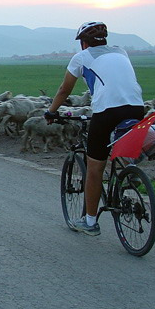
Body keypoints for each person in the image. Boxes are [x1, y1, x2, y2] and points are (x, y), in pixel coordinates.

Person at [44, 21, 144, 236]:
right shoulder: (121, 52)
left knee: (95, 167)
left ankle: (90, 221)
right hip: (137, 107)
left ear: (83, 42)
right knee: (121, 142)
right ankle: (130, 169)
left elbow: (64, 90)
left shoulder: (81, 57)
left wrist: (51, 111)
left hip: (107, 111)